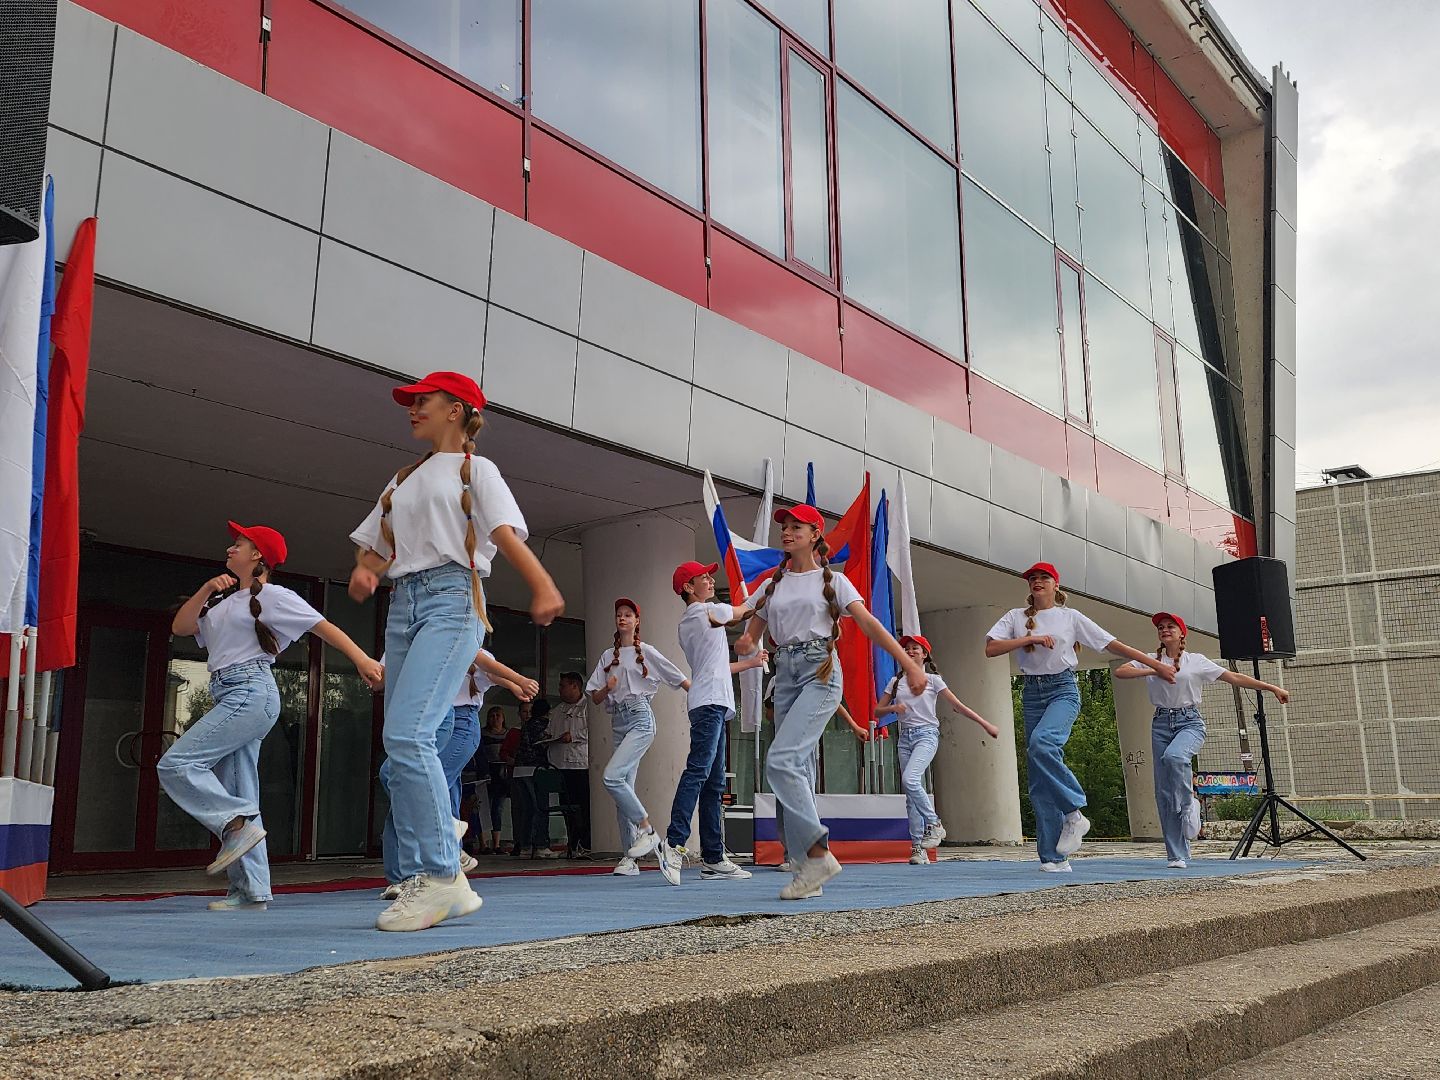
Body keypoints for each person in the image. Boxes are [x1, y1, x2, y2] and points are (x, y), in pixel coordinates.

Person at [349, 370, 564, 931]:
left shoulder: (477, 469)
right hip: (404, 607)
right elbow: (377, 548)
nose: (413, 408)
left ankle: (442, 875)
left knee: (408, 735)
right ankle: (444, 851)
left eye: (424, 400)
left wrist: (542, 585)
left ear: (457, 409)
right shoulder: (401, 479)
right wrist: (365, 575)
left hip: (452, 599)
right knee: (398, 757)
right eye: (410, 401)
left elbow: (507, 535)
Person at [161, 521, 382, 911]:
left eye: (238, 544)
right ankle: (251, 892)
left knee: (177, 764)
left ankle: (235, 823)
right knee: (242, 789)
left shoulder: (276, 597)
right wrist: (208, 588)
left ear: (258, 555)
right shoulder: (219, 602)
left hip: (251, 692)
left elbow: (323, 628)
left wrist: (362, 659)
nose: (230, 549)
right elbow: (180, 627)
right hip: (229, 692)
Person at [735, 504, 927, 900]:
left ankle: (818, 854)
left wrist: (909, 664)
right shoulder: (773, 584)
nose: (786, 533)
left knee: (781, 762)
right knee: (795, 769)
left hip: (820, 672)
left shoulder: (834, 582)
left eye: (795, 527)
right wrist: (743, 638)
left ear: (815, 534)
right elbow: (750, 630)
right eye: (784, 527)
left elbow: (871, 624)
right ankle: (807, 865)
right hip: (784, 676)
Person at [984, 562, 1175, 873]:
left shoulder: (1070, 617)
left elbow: (1113, 645)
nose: (1037, 582)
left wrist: (1157, 666)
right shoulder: (1015, 618)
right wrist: (1029, 640)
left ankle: (1075, 812)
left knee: (1042, 744)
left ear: (1056, 585)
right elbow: (991, 649)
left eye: (1044, 578)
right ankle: (1054, 858)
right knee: (1039, 781)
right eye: (1032, 579)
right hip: (1031, 693)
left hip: (1062, 690)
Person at [1114, 611, 1289, 868]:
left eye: (1170, 626)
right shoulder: (1151, 660)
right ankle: (1177, 854)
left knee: (1175, 757)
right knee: (1163, 791)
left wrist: (1272, 687)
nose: (1164, 630)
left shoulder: (1196, 661)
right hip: (1161, 723)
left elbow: (1234, 678)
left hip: (1190, 722)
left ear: (1181, 632)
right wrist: (1154, 669)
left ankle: (1189, 803)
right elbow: (1121, 671)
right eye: (1160, 627)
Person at [375, 648, 536, 895]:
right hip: (424, 718)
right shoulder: (404, 637)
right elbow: (381, 677)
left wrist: (517, 683)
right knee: (419, 791)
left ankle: (437, 861)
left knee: (416, 789)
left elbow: (489, 670)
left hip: (461, 723)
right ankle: (424, 865)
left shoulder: (459, 636)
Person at [657, 562, 769, 885]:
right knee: (699, 772)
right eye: (703, 577)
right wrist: (769, 585)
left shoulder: (700, 618)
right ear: (689, 588)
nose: (710, 579)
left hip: (714, 703)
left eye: (709, 574)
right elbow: (746, 610)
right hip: (708, 705)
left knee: (713, 782)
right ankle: (674, 843)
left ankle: (713, 858)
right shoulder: (701, 612)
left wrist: (750, 662)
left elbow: (718, 666)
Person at [585, 597, 689, 876]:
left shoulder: (647, 651)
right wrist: (607, 688)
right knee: (622, 789)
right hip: (618, 720)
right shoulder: (608, 656)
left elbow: (677, 676)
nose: (622, 618)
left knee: (613, 778)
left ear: (636, 621)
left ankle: (647, 830)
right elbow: (594, 697)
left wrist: (703, 698)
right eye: (619, 614)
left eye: (628, 614)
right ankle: (629, 858)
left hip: (641, 718)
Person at [876, 634, 1000, 866]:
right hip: (905, 738)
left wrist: (985, 724)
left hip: (926, 735)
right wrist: (895, 707)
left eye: (915, 648)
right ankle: (917, 848)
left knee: (911, 779)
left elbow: (958, 706)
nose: (910, 651)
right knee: (911, 794)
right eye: (907, 649)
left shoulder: (933, 680)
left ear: (925, 654)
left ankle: (934, 823)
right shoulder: (895, 682)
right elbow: (877, 711)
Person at [546, 671, 592, 856]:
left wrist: (573, 737)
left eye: (563, 685)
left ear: (575, 686)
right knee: (567, 807)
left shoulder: (589, 707)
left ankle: (586, 843)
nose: (560, 689)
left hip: (580, 765)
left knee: (583, 807)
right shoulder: (557, 711)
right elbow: (550, 730)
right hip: (560, 765)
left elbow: (593, 732)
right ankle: (572, 844)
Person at [512, 698, 560, 859]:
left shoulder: (527, 725)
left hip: (519, 769)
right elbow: (546, 742)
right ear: (548, 712)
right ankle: (541, 845)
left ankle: (525, 847)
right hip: (535, 769)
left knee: (526, 810)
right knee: (540, 808)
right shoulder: (544, 725)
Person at [480, 706, 510, 853]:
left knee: (497, 808)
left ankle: (496, 844)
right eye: (492, 715)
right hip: (486, 771)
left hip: (502, 772)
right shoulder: (482, 734)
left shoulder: (508, 734)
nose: (495, 718)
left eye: (498, 715)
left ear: (503, 718)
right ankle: (483, 844)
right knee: (483, 808)